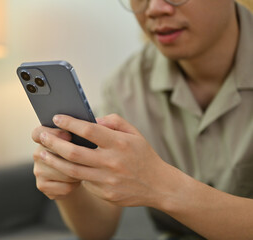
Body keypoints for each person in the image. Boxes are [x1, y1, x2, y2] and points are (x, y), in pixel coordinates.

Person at [31, 0, 253, 239]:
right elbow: (97, 232)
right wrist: (69, 183)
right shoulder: (124, 86)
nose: (155, 8)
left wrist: (162, 186)